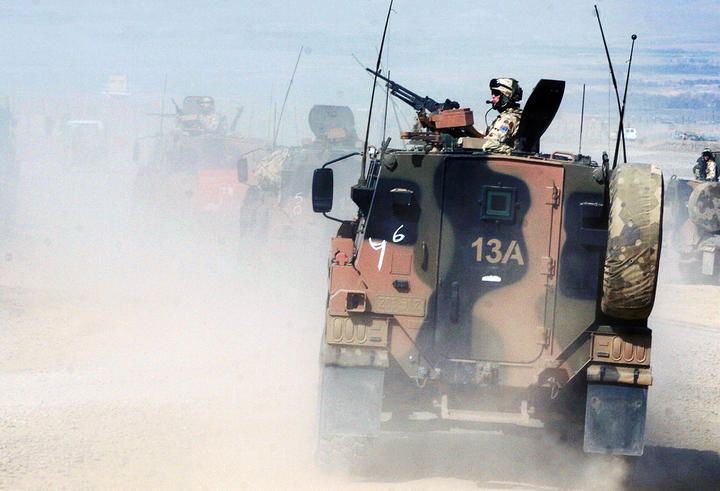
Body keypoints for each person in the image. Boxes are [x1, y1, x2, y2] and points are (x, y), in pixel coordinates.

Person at [480, 78, 523, 154]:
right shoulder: (516, 116)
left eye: (496, 93)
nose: (493, 96)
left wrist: (512, 153)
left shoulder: (508, 118)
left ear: (506, 96)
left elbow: (489, 145)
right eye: (492, 93)